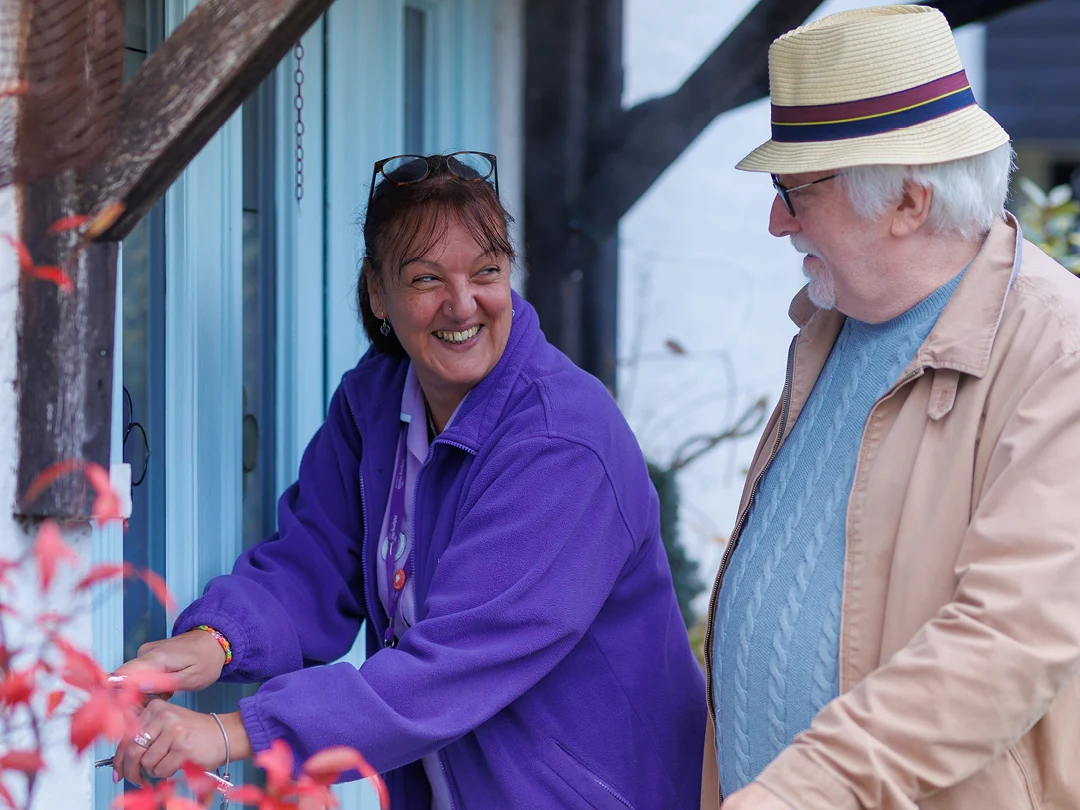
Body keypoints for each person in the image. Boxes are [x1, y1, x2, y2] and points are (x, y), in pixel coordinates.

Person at [111, 152, 706, 807]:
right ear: (378, 291)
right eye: (427, 279)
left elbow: (454, 664)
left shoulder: (562, 439)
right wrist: (216, 642)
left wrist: (232, 731)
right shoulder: (376, 406)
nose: (462, 304)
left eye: (487, 272)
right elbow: (312, 564)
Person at [702, 6, 1080, 810]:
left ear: (908, 201)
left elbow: (1006, 643)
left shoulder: (1059, 352)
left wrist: (797, 793)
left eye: (792, 190)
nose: (776, 221)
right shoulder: (836, 319)